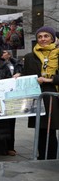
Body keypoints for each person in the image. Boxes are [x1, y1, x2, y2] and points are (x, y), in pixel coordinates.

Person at [19, 26, 58, 160]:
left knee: (50, 130)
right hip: (37, 97)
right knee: (41, 129)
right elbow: (27, 74)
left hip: (53, 97)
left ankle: (51, 158)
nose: (43, 39)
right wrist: (19, 75)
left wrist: (48, 79)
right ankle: (42, 157)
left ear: (52, 38)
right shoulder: (30, 56)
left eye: (46, 36)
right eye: (40, 37)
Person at [0, 49, 23, 156]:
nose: (3, 54)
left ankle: (10, 147)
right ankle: (0, 147)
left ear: (9, 54)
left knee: (11, 123)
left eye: (5, 52)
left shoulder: (16, 63)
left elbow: (24, 72)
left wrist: (19, 74)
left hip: (12, 95)